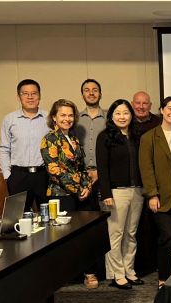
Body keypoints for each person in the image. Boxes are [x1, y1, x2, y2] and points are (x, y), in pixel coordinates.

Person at [40, 99, 94, 287]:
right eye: (63, 115)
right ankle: (64, 278)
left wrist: (87, 186)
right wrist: (79, 189)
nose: (67, 119)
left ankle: (84, 273)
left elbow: (81, 166)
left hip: (80, 194)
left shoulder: (74, 138)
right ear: (54, 117)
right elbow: (54, 170)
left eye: (70, 115)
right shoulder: (50, 139)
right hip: (60, 195)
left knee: (83, 236)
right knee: (63, 238)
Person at [96, 99, 144, 290]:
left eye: (125, 113)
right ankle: (117, 274)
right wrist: (106, 193)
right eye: (118, 113)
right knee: (116, 234)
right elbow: (102, 168)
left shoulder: (136, 136)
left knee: (131, 234)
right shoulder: (105, 137)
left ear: (131, 115)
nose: (122, 117)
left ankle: (129, 270)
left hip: (137, 191)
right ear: (111, 116)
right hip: (116, 193)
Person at [139, 96, 171, 288]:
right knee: (166, 235)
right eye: (170, 108)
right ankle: (164, 278)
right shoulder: (149, 137)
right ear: (161, 110)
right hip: (161, 192)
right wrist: (152, 194)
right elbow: (146, 168)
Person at [0, 79, 50, 211]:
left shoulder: (49, 118)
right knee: (18, 217)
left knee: (48, 217)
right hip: (18, 176)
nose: (30, 97)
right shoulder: (9, 119)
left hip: (43, 176)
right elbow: (4, 148)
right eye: (25, 93)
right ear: (18, 97)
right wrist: (7, 175)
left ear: (40, 96)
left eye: (34, 93)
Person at [73, 79, 106, 211]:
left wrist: (99, 171)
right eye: (87, 90)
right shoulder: (75, 120)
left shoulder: (110, 117)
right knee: (85, 217)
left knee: (107, 216)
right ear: (82, 95)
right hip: (81, 176)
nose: (91, 93)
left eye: (95, 90)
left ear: (100, 94)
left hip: (105, 175)